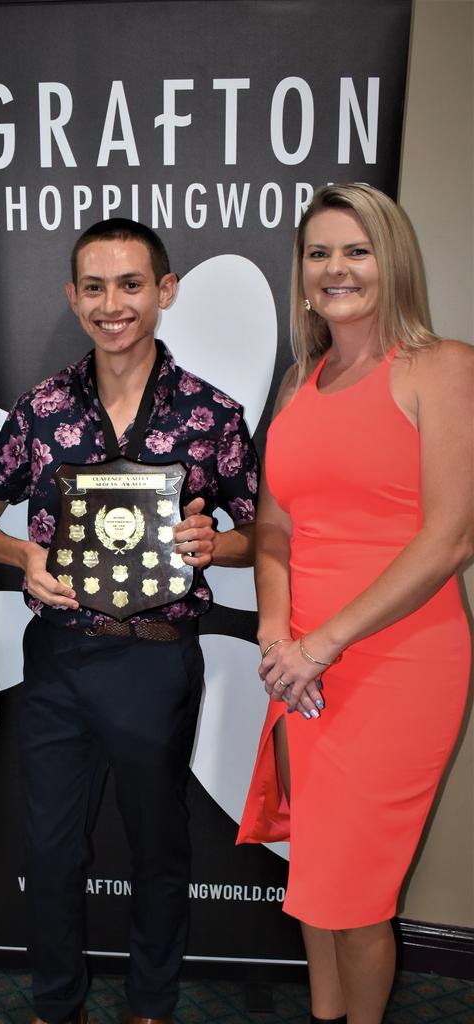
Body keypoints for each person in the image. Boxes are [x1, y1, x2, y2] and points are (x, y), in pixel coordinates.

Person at [0, 218, 258, 1024]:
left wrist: (217, 543)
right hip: (60, 656)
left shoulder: (212, 414)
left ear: (164, 292)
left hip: (158, 659)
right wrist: (20, 557)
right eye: (94, 287)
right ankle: (57, 1004)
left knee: (159, 847)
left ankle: (149, 1006)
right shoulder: (40, 409)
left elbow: (259, 536)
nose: (113, 304)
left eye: (131, 284)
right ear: (71, 296)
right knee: (53, 849)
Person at [237, 184, 473, 1024]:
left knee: (361, 892)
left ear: (392, 260)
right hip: (300, 662)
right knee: (317, 871)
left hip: (397, 663)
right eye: (319, 253)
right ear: (301, 276)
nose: (337, 269)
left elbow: (450, 539)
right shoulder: (301, 381)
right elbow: (271, 528)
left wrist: (322, 643)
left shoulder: (443, 368)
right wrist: (275, 628)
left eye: (357, 250)